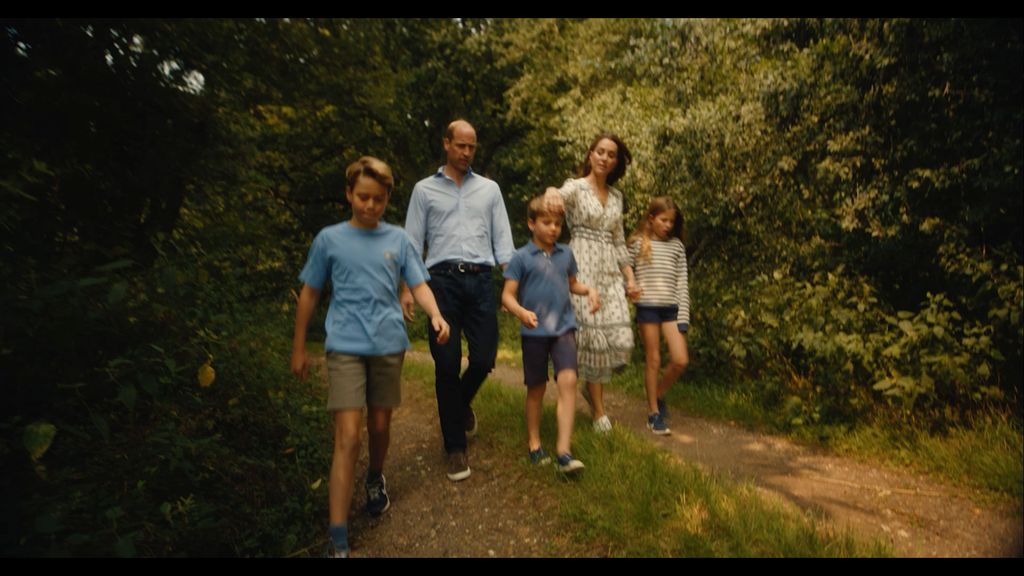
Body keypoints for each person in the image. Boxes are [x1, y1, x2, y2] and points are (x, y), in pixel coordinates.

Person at [291, 156, 450, 558]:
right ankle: (338, 536)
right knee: (346, 436)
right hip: (343, 346)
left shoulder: (398, 240)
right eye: (362, 197)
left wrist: (435, 314)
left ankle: (375, 477)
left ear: (386, 200)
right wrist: (298, 347)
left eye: (378, 200)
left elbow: (419, 284)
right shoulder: (328, 239)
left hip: (387, 345)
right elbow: (310, 293)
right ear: (349, 194)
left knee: (379, 426)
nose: (369, 206)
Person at [402, 119, 515, 482]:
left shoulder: (490, 190)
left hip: (481, 282)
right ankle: (454, 448)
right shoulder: (423, 191)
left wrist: (513, 285)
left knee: (484, 358)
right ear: (446, 144)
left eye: (472, 147)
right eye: (461, 145)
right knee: (446, 364)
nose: (467, 152)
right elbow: (411, 244)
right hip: (441, 284)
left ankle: (458, 406)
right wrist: (408, 287)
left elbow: (504, 243)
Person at [544, 133, 640, 433]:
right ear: (590, 155)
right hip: (581, 266)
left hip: (610, 271)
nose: (605, 158)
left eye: (611, 154)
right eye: (600, 152)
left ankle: (590, 390)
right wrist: (551, 191)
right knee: (592, 338)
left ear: (615, 162)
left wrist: (630, 277)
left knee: (622, 341)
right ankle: (599, 411)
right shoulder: (575, 187)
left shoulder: (616, 197)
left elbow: (619, 240)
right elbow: (556, 196)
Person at [502, 195, 600, 473]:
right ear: (531, 223)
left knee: (568, 380)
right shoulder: (520, 257)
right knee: (537, 388)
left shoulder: (565, 254)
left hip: (564, 328)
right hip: (534, 332)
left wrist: (590, 291)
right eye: (546, 222)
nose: (553, 228)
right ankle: (534, 443)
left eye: (558, 223)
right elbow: (507, 296)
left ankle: (564, 452)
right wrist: (521, 312)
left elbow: (573, 284)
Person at [627, 196, 690, 436]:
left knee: (680, 360)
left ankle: (659, 394)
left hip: (671, 310)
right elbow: (624, 272)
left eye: (671, 222)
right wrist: (629, 289)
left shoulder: (676, 246)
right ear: (651, 218)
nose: (667, 226)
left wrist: (683, 317)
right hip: (647, 308)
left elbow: (682, 284)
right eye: (663, 220)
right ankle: (654, 414)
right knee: (653, 359)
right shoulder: (637, 243)